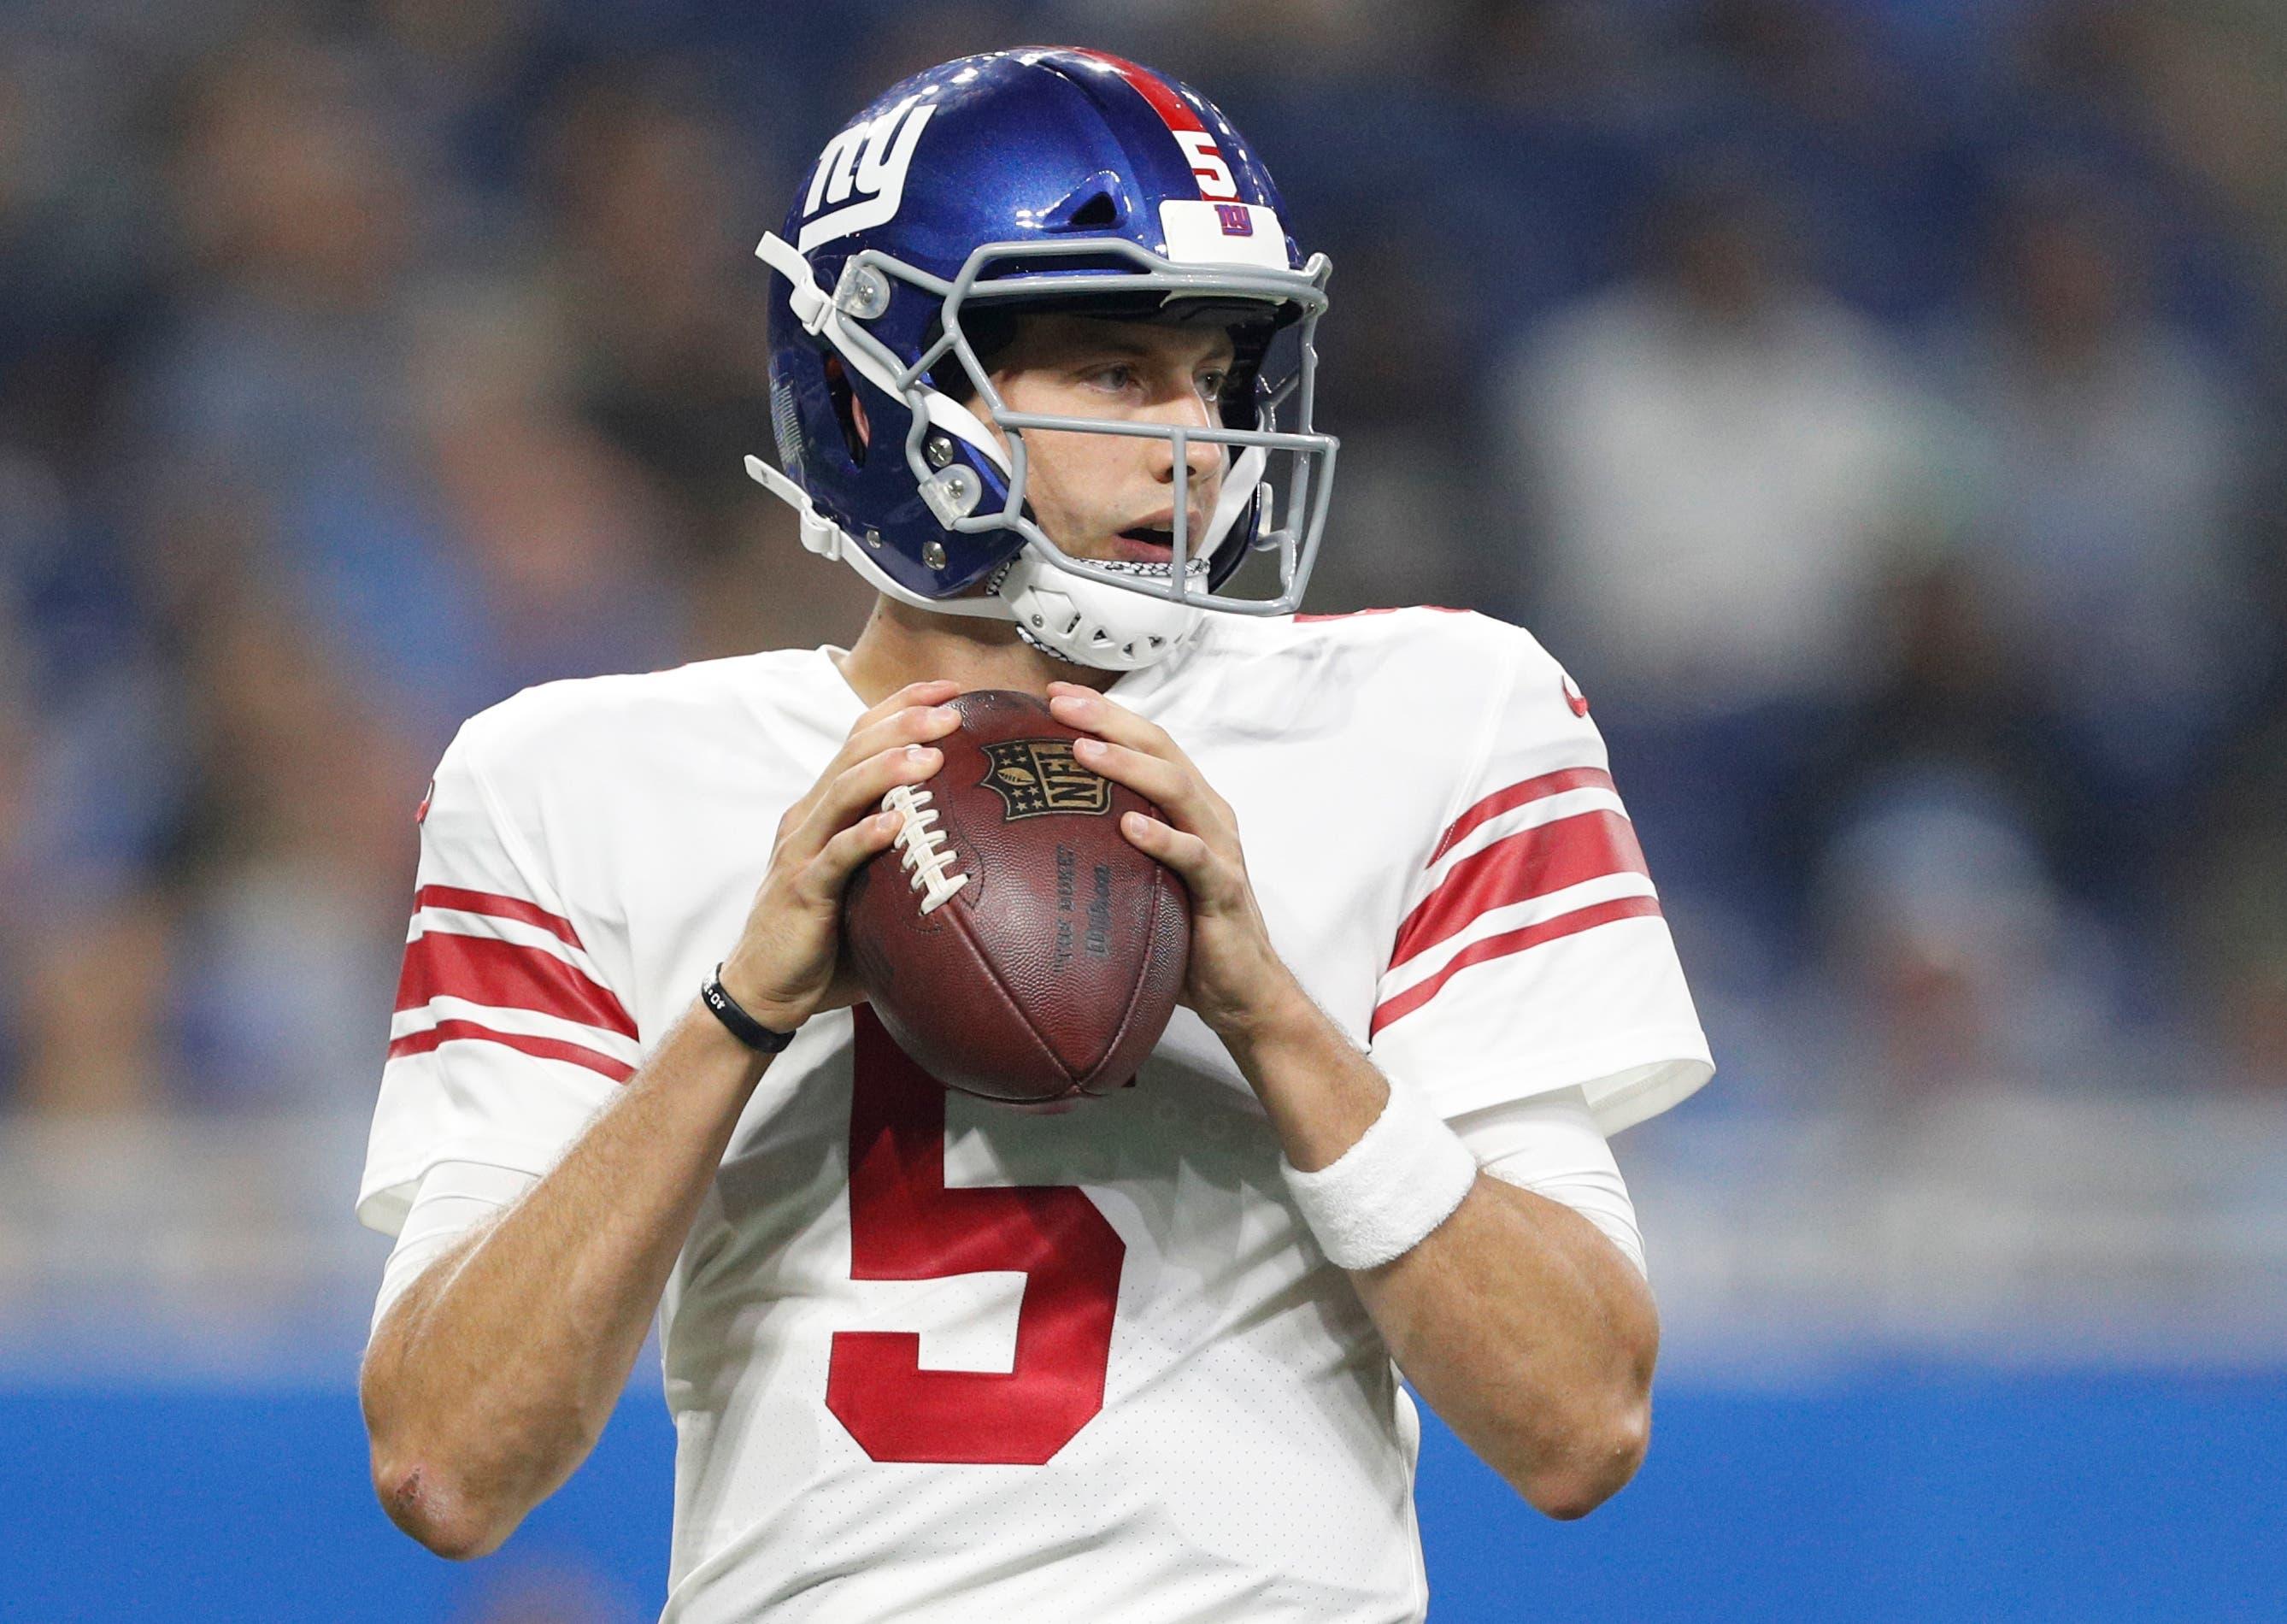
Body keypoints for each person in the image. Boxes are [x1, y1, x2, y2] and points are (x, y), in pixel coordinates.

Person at [356, 47, 1711, 1622]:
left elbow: (1579, 1426)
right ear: (885, 386)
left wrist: (1271, 1013)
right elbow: (448, 1468)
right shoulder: (569, 779)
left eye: (1213, 373)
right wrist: (738, 1018)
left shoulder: (1446, 714)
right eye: (1113, 372)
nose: (1192, 441)